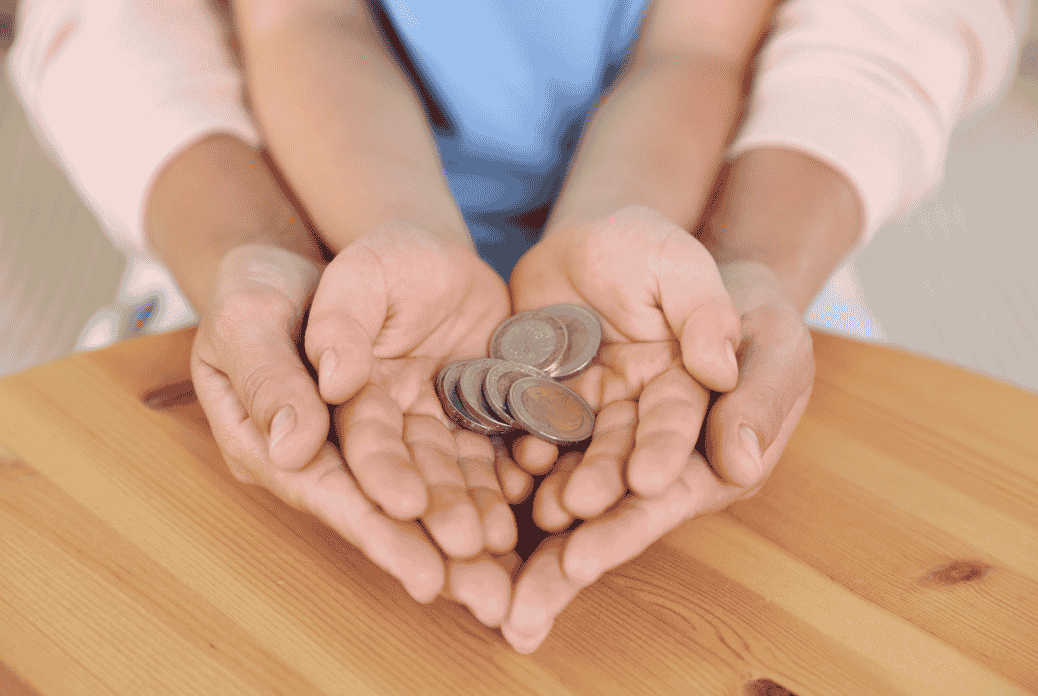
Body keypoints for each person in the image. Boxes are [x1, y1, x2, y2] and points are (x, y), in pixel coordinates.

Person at [6, 0, 1028, 654]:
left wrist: (617, 221)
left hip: (682, 251)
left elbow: (694, 52)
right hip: (321, 239)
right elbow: (304, 27)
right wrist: (393, 230)